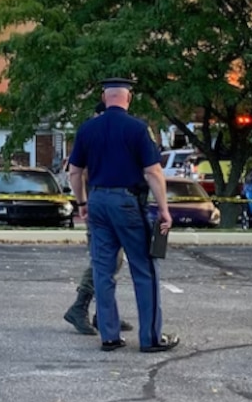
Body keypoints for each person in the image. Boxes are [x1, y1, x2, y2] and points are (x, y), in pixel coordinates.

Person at [68, 78, 178, 353]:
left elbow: (74, 171)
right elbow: (153, 172)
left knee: (103, 271)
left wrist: (82, 201)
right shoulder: (138, 129)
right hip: (128, 203)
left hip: (97, 202)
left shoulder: (87, 129)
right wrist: (164, 208)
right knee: (144, 269)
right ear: (127, 98)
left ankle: (109, 336)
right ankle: (151, 338)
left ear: (105, 98)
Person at [64, 101, 132, 336]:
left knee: (113, 261)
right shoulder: (95, 136)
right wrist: (82, 202)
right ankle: (79, 308)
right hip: (100, 205)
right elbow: (76, 171)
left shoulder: (94, 134)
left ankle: (104, 314)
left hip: (104, 204)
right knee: (104, 261)